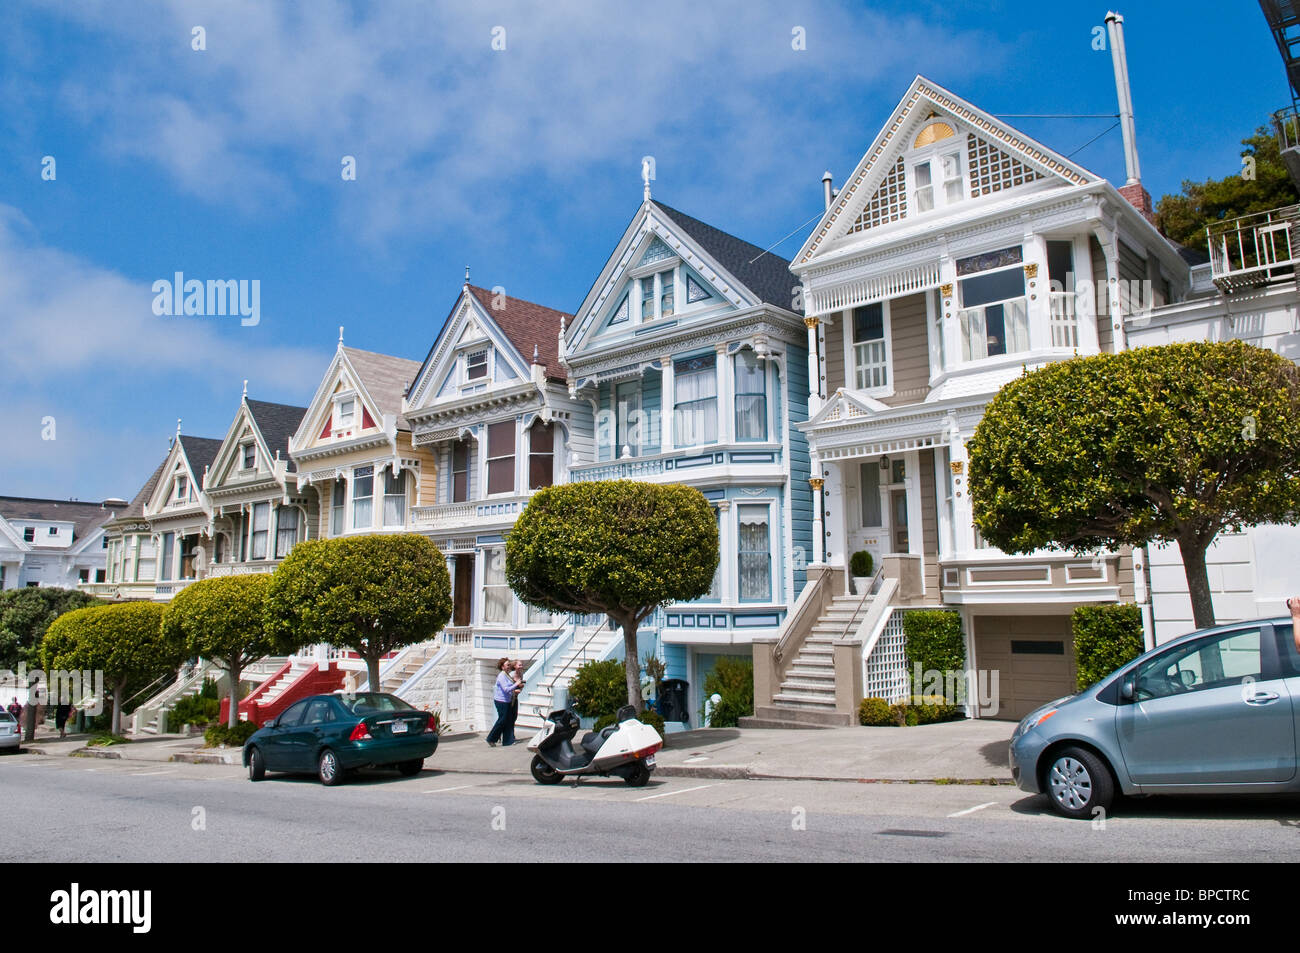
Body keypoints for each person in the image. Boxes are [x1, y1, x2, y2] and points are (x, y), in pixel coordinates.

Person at [484, 658, 518, 747]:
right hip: (501, 701)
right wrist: (516, 684)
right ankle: (491, 738)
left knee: (508, 720)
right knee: (502, 720)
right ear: (502, 667)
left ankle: (508, 741)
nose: (509, 666)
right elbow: (506, 689)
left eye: (509, 665)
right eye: (507, 665)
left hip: (507, 700)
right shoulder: (501, 676)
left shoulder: (507, 675)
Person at [505, 659, 525, 739]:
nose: (521, 666)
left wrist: (520, 688)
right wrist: (515, 690)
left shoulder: (521, 674)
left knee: (514, 716)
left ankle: (511, 735)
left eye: (521, 665)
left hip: (515, 697)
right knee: (508, 717)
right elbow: (507, 688)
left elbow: (520, 684)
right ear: (515, 666)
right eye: (519, 665)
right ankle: (509, 736)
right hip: (509, 698)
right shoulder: (511, 675)